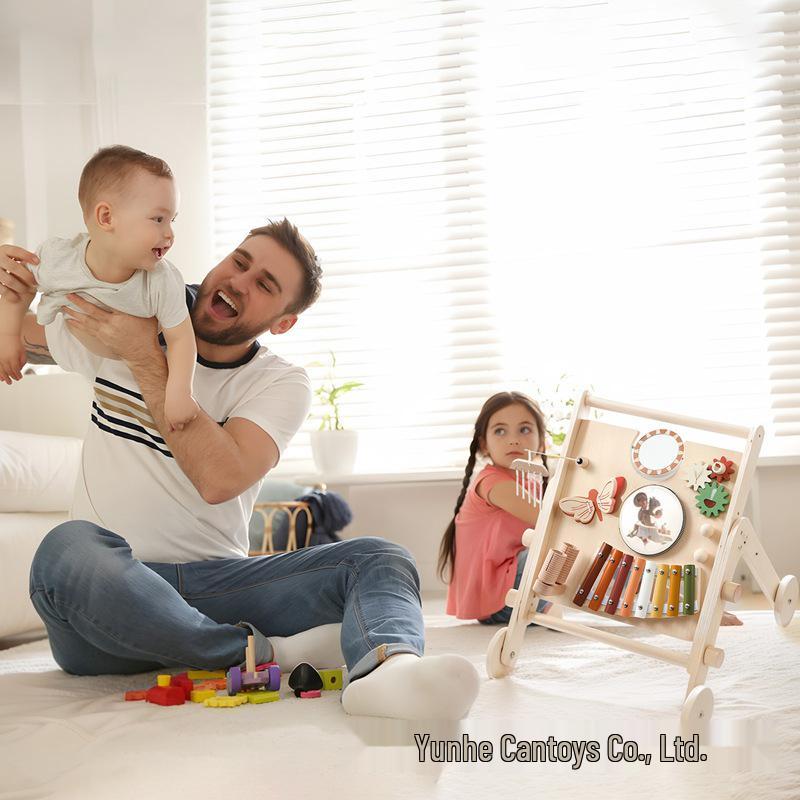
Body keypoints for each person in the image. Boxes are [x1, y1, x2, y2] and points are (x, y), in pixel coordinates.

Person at [0, 219, 480, 721]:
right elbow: (22, 337)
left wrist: (144, 357)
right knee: (67, 549)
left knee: (380, 558)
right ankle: (259, 652)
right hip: (106, 600)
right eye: (239, 262)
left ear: (283, 323)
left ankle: (388, 673)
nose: (239, 281)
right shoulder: (137, 304)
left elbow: (219, 479)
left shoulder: (279, 383)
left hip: (216, 588)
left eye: (264, 285)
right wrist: (12, 294)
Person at [0, 145, 198, 431]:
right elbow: (17, 290)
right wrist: (8, 338)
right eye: (158, 219)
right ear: (106, 217)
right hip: (71, 345)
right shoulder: (58, 258)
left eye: (172, 220)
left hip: (128, 366)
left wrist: (180, 392)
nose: (170, 233)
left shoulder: (162, 280)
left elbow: (181, 339)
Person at [439, 391, 552, 624]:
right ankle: (550, 606)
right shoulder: (493, 483)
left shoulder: (529, 481)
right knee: (561, 550)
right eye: (500, 431)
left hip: (509, 587)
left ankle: (550, 606)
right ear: (484, 445)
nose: (513, 440)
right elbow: (551, 522)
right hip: (500, 599)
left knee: (566, 550)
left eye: (524, 430)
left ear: (542, 441)